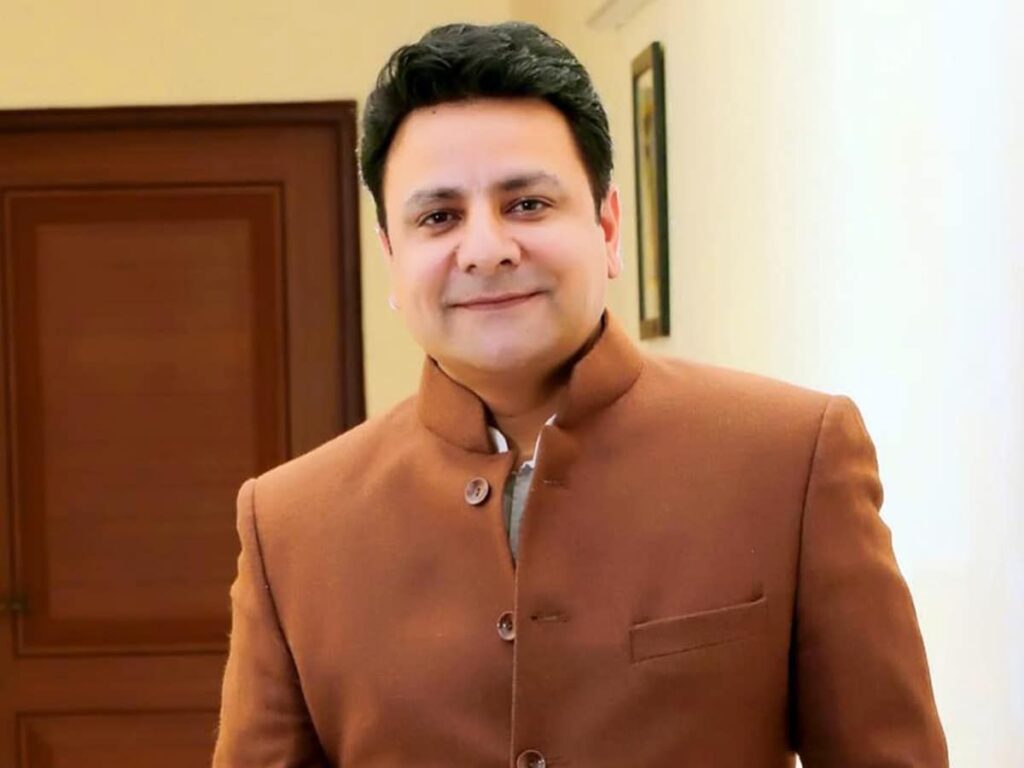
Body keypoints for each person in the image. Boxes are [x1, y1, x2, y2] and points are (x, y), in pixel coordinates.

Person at [212, 21, 947, 768]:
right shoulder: (289, 524)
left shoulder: (792, 457)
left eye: (527, 204)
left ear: (607, 226)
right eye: (439, 217)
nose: (487, 249)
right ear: (392, 258)